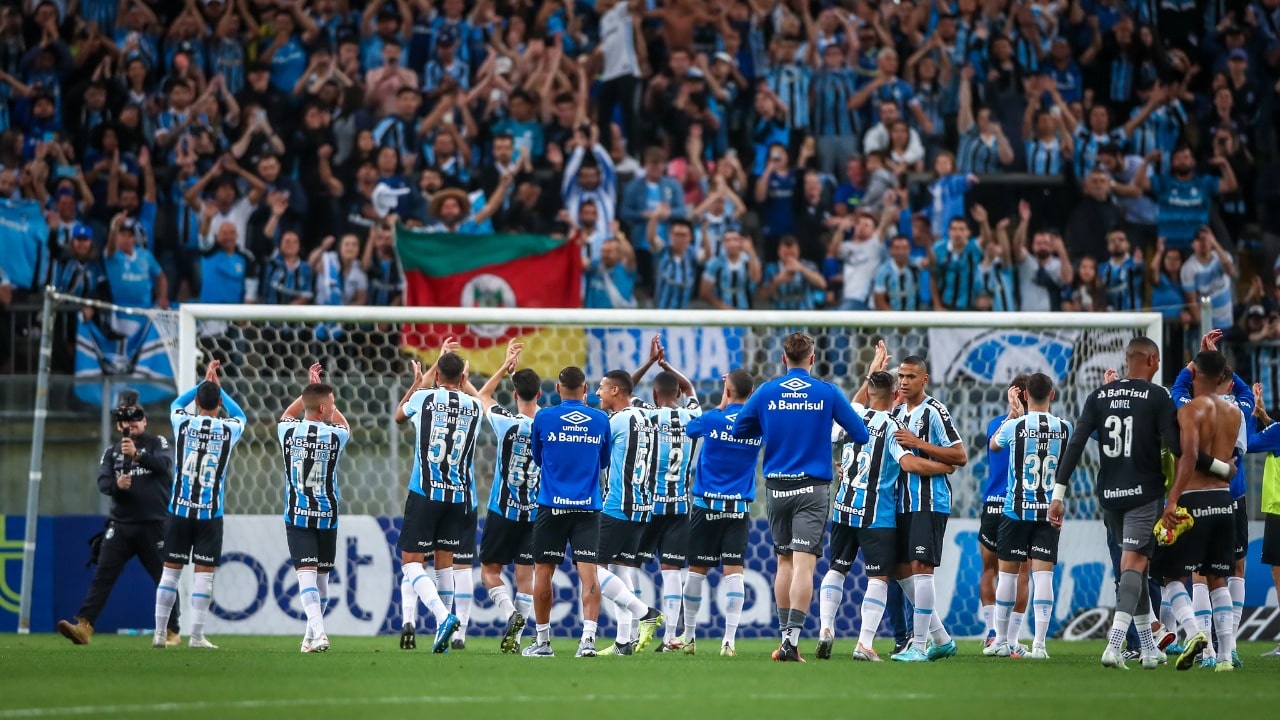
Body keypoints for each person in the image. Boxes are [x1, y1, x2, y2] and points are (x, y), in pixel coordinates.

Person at [732, 332, 869, 662]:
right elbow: (861, 433)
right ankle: (792, 642)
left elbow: (739, 429)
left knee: (783, 562)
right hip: (812, 487)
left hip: (777, 487)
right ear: (812, 358)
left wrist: (772, 428)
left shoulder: (766, 391)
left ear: (783, 359)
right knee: (805, 564)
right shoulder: (826, 392)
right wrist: (826, 436)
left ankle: (784, 640)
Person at [1051, 337, 1184, 669]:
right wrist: (1218, 466)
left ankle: (1150, 647)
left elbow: (1077, 443)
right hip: (1145, 494)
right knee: (1134, 566)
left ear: (1128, 360)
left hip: (1109, 496)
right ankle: (1113, 644)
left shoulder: (1098, 396)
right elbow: (1178, 447)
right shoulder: (1157, 396)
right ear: (1152, 360)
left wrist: (1057, 495)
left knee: (1132, 568)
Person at [818, 364, 956, 663]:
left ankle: (826, 628)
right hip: (877, 513)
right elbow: (909, 464)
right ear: (895, 394)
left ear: (868, 392)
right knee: (879, 577)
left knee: (836, 569)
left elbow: (838, 426)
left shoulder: (851, 417)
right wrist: (943, 467)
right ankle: (864, 643)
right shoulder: (893, 426)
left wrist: (868, 375)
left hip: (843, 508)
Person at [57, 391, 180, 646]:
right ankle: (84, 626)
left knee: (163, 577)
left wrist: (137, 455)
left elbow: (164, 465)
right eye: (126, 419)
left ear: (145, 421)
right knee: (103, 574)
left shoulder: (158, 442)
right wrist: (116, 484)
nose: (131, 423)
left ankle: (172, 630)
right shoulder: (111, 452)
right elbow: (102, 481)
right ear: (118, 424)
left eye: (136, 418)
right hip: (121, 524)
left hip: (153, 524)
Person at [153, 360, 246, 650]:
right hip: (210, 513)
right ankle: (196, 636)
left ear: (196, 402)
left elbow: (176, 403)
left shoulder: (182, 422)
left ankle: (158, 634)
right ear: (219, 403)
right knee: (203, 576)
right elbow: (241, 413)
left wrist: (202, 383)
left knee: (170, 572)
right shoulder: (229, 429)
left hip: (179, 509)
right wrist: (217, 384)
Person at [1160, 351, 1242, 672]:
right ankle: (1224, 657)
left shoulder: (1191, 410)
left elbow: (1190, 456)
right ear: (1223, 376)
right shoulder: (1234, 413)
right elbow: (1227, 463)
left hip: (1195, 499)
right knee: (1218, 576)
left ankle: (1197, 638)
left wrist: (1172, 499)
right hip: (1225, 502)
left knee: (1170, 573)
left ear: (1194, 374)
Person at [524, 366, 611, 658]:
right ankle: (587, 640)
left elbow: (537, 456)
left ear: (558, 389)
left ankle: (543, 642)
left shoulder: (544, 416)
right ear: (585, 389)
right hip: (587, 507)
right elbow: (603, 461)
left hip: (551, 505)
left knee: (543, 573)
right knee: (589, 575)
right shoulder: (600, 420)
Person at [393, 342, 474, 653]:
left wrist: (420, 380)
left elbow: (399, 416)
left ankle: (443, 618)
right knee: (445, 564)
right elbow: (470, 394)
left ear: (437, 373)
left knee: (411, 564)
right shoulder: (474, 407)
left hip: (425, 491)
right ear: (463, 376)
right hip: (458, 496)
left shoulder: (424, 398)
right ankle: (448, 630)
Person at [889, 355, 969, 662]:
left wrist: (917, 442)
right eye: (901, 376)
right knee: (900, 570)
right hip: (900, 501)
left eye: (910, 376)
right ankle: (941, 639)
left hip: (929, 501)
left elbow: (959, 456)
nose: (904, 382)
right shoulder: (896, 412)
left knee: (922, 568)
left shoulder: (935, 411)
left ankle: (919, 646)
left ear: (925, 379)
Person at [989, 373, 1072, 660]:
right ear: (1052, 395)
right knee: (1043, 576)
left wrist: (1014, 413)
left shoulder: (1014, 426)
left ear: (1025, 395)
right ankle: (1039, 645)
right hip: (1049, 510)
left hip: (1015, 509)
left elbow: (994, 445)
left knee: (1008, 575)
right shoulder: (1065, 427)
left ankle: (1000, 641)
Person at [680, 369, 760, 657]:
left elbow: (690, 430)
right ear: (751, 394)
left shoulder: (712, 419)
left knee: (697, 571)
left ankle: (689, 637)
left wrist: (722, 406)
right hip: (737, 509)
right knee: (734, 572)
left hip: (706, 507)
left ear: (727, 391)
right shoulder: (756, 425)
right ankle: (729, 641)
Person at [630, 336, 702, 650]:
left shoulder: (645, 414)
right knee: (672, 572)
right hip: (680, 506)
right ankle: (671, 636)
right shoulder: (693, 417)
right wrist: (667, 364)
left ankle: (631, 631)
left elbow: (625, 389)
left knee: (627, 566)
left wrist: (649, 362)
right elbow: (689, 390)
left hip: (648, 505)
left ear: (655, 393)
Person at [278, 364, 351, 653]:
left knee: (315, 582)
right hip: (326, 515)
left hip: (298, 513)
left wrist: (307, 391)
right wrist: (317, 395)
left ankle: (310, 637)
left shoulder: (286, 431)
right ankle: (321, 634)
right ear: (323, 408)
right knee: (316, 580)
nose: (334, 409)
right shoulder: (335, 436)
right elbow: (345, 425)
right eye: (331, 405)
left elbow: (287, 414)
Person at [475, 342, 541, 654]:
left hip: (503, 509)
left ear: (515, 395)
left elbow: (483, 396)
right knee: (525, 577)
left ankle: (509, 614)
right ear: (540, 394)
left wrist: (504, 367)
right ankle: (516, 638)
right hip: (534, 513)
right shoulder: (548, 424)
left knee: (489, 570)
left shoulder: (506, 421)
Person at [593, 368, 665, 655]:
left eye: (601, 387)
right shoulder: (647, 419)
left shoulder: (617, 421)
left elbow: (597, 457)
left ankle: (645, 612)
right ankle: (624, 641)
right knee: (622, 572)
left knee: (592, 569)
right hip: (642, 507)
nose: (597, 392)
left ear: (615, 391)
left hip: (617, 506)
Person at [978, 376, 1031, 651]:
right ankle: (1010, 639)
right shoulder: (1037, 429)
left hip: (992, 502)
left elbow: (994, 450)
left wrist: (1010, 415)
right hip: (1020, 505)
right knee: (1021, 573)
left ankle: (991, 631)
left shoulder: (995, 424)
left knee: (989, 569)